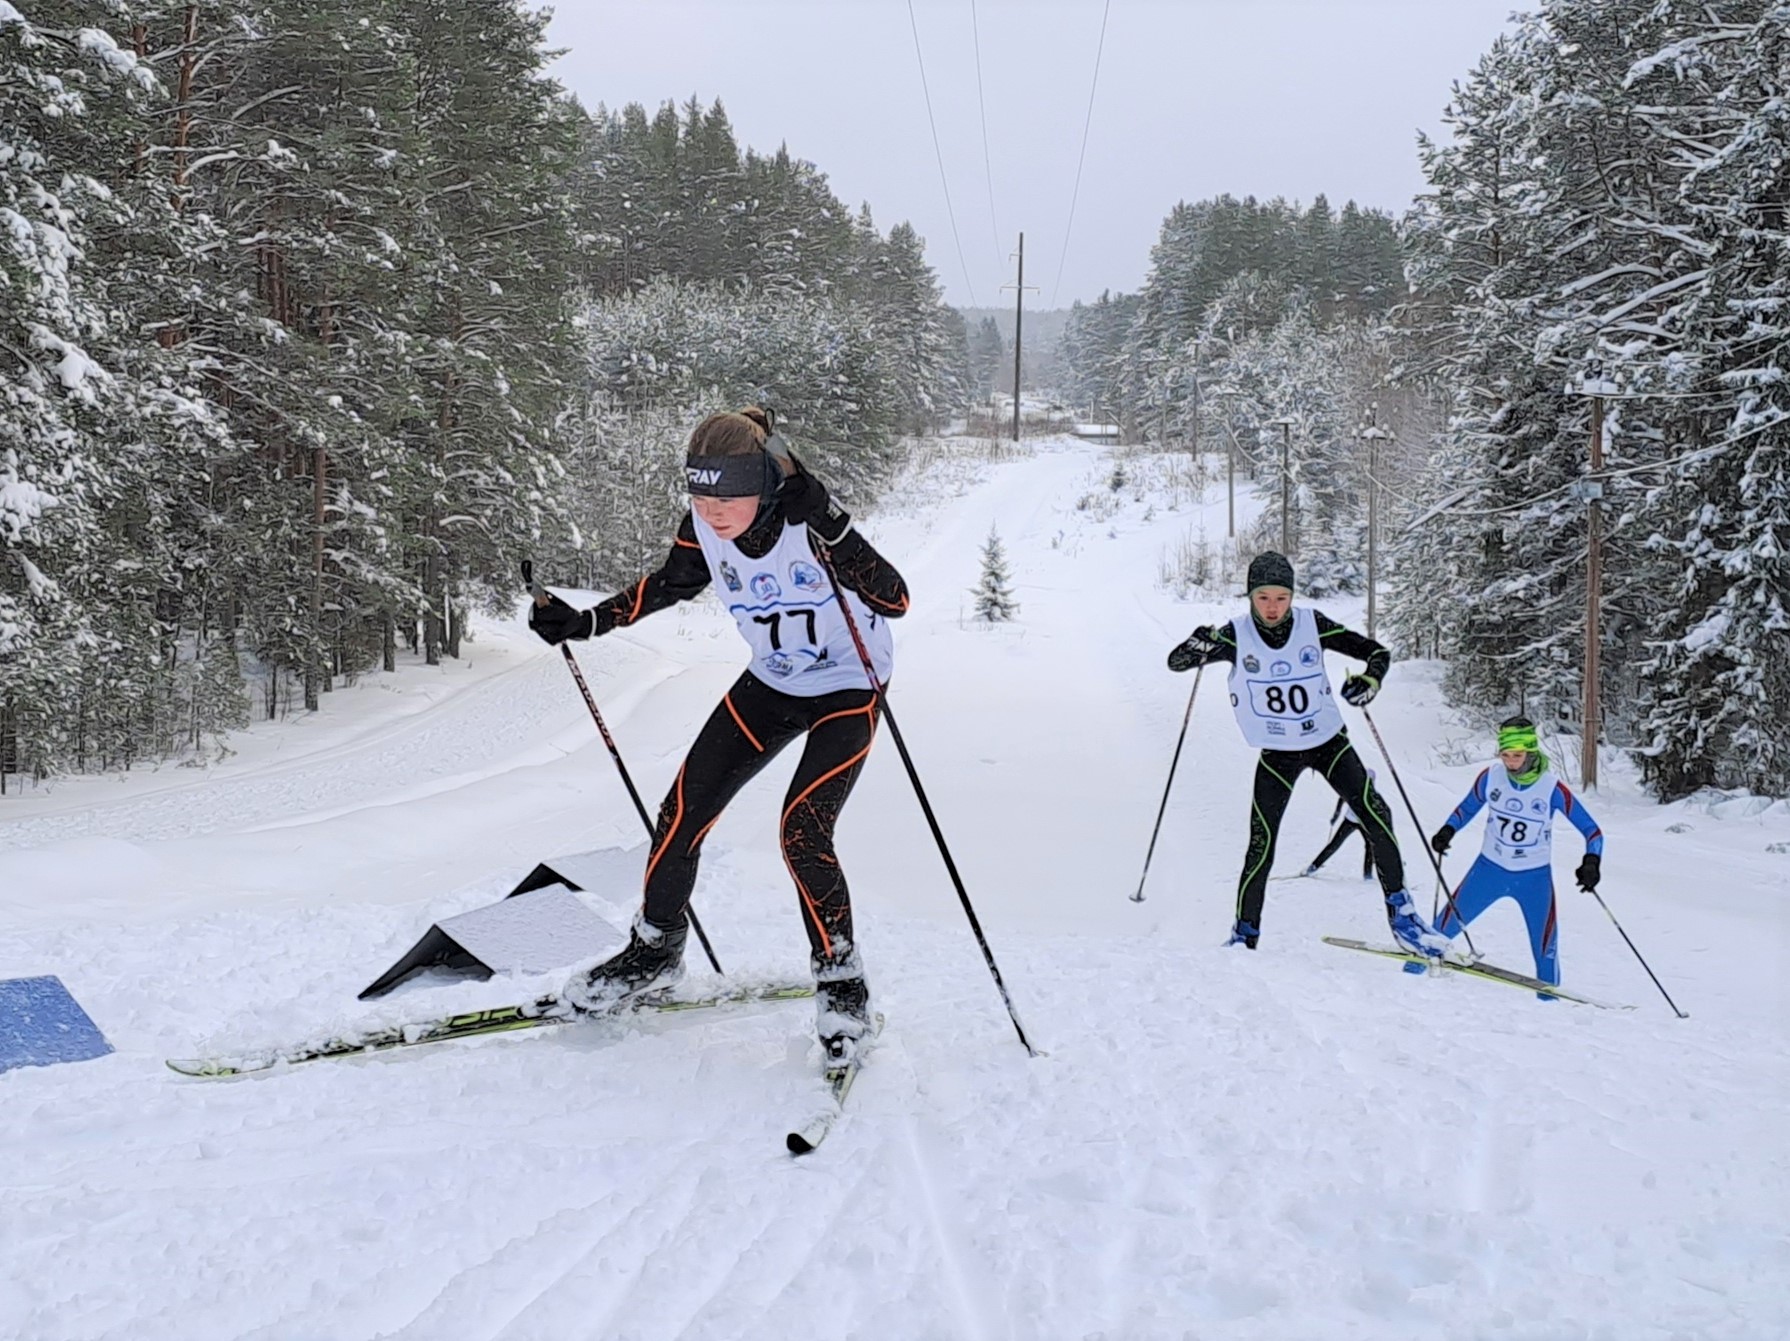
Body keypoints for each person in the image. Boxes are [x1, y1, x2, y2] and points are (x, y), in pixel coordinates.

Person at [528, 407, 908, 1060]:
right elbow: (669, 586)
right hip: (775, 682)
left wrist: (835, 526)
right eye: (699, 494)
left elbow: (895, 599)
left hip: (849, 685)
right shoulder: (703, 529)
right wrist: (585, 623)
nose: (713, 510)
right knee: (680, 812)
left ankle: (843, 984)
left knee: (803, 830)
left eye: (727, 494)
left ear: (762, 480)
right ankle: (654, 952)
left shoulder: (806, 521)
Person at [1166, 552, 1446, 956]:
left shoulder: (1313, 625)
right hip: (1277, 754)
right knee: (1261, 843)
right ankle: (1245, 934)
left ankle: (1404, 918)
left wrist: (1370, 681)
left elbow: (1377, 653)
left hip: (1329, 743)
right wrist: (1196, 643)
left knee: (1376, 813)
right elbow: (1177, 663)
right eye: (1264, 597)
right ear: (1251, 596)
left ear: (1292, 597)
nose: (1273, 607)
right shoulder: (1234, 635)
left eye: (1282, 597)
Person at [1428, 716, 1604, 994]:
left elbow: (1592, 831)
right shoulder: (1491, 778)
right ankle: (1404, 983)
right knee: (1438, 933)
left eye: (1517, 755)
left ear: (1531, 752)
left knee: (1545, 951)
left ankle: (1552, 1009)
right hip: (1489, 870)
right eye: (1505, 755)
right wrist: (1448, 831)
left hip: (1534, 878)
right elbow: (1466, 808)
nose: (1510, 762)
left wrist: (1591, 862)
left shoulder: (1552, 788)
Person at [1303, 768, 1378, 880]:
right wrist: (1336, 815)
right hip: (1350, 820)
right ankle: (1313, 866)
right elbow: (1342, 798)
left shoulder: (1372, 793)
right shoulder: (1355, 788)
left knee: (1370, 846)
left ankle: (1367, 874)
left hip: (1363, 822)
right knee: (1335, 843)